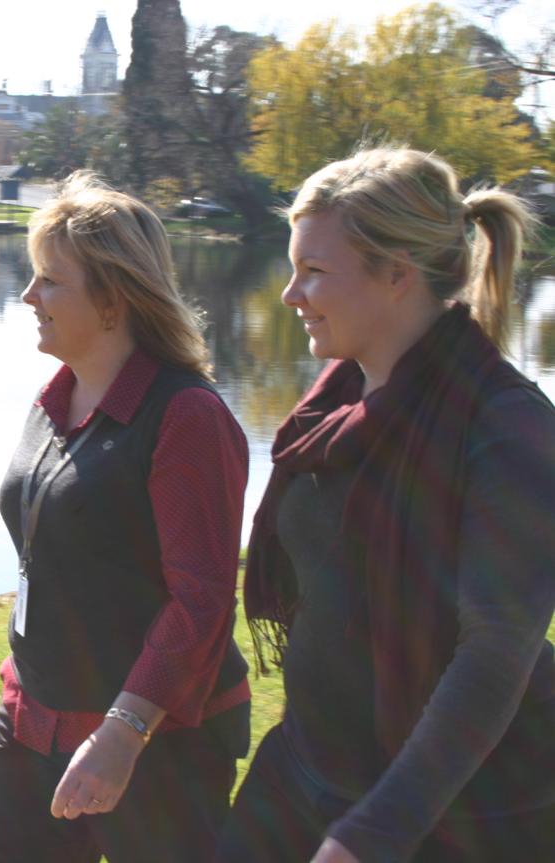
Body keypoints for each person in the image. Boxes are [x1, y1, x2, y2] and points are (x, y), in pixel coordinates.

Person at [216, 147, 555, 863]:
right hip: (306, 768)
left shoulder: (506, 428)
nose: (290, 294)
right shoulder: (334, 404)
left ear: (398, 274)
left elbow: (496, 651)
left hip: (455, 811)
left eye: (314, 271)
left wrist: (372, 835)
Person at [0, 171, 251, 863]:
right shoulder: (52, 400)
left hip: (154, 740)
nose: (28, 296)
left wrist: (124, 729)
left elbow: (203, 600)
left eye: (50, 281)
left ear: (113, 299)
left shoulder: (186, 416)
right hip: (31, 719)